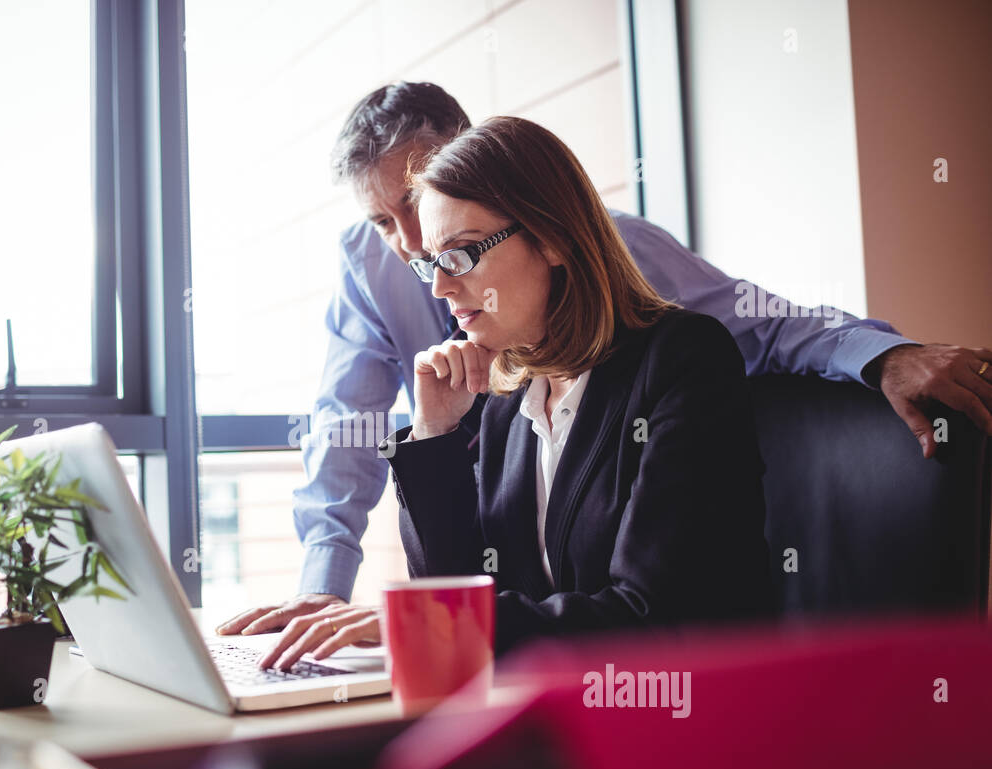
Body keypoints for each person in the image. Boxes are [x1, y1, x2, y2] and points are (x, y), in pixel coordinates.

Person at [219, 82, 992, 663]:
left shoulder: (668, 345)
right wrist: (429, 440)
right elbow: (364, 457)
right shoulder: (503, 391)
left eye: (451, 245)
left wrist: (881, 354)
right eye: (388, 223)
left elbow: (760, 321)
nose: (418, 254)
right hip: (556, 706)